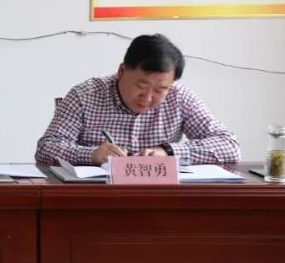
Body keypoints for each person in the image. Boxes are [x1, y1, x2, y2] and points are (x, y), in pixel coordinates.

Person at [34, 33, 239, 166]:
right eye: (141, 86)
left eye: (160, 89)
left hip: (159, 201)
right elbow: (46, 149)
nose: (147, 98)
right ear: (121, 71)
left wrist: (168, 152)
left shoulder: (180, 98)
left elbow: (229, 146)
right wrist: (91, 155)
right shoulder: (85, 95)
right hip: (96, 199)